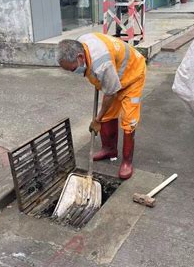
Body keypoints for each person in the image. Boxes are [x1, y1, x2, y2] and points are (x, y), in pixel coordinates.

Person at [56, 33, 146, 179]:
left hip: (132, 74)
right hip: (113, 74)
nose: (73, 73)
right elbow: (107, 84)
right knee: (109, 114)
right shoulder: (79, 43)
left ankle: (127, 161)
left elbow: (110, 92)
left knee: (129, 120)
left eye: (72, 69)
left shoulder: (102, 65)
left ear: (80, 57)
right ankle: (109, 149)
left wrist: (97, 119)